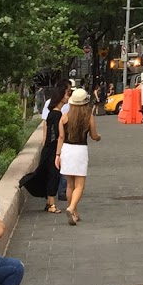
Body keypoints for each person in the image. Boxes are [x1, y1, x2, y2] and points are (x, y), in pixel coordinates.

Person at [19, 81, 69, 212]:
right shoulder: (58, 115)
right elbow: (59, 135)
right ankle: (51, 204)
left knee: (48, 173)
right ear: (60, 96)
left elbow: (47, 128)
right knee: (54, 174)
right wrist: (58, 153)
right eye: (66, 94)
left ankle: (49, 202)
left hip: (48, 147)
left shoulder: (52, 113)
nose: (68, 97)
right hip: (53, 149)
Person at [60, 87, 102, 224]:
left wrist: (57, 155)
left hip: (66, 149)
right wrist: (98, 137)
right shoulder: (88, 116)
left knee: (70, 185)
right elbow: (94, 135)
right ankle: (71, 208)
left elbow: (61, 137)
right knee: (80, 185)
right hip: (80, 150)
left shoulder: (64, 116)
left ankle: (75, 213)